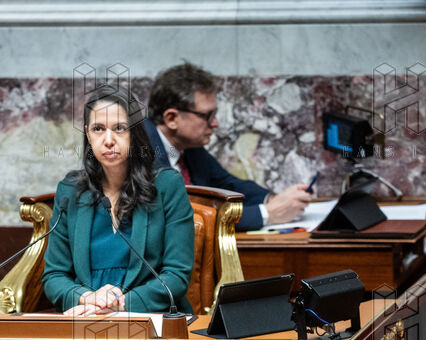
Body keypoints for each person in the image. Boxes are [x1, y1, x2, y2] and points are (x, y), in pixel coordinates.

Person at [42, 85, 194, 317]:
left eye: (120, 128)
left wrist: (121, 304)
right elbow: (54, 276)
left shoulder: (167, 186)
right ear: (88, 134)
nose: (108, 140)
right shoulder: (70, 191)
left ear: (134, 133)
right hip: (86, 317)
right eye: (98, 129)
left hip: (150, 319)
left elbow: (176, 275)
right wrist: (88, 298)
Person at [146, 64, 312, 231]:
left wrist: (274, 199)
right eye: (207, 115)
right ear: (171, 118)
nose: (215, 123)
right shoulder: (142, 154)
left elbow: (229, 186)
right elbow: (183, 219)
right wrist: (267, 214)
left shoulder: (188, 147)